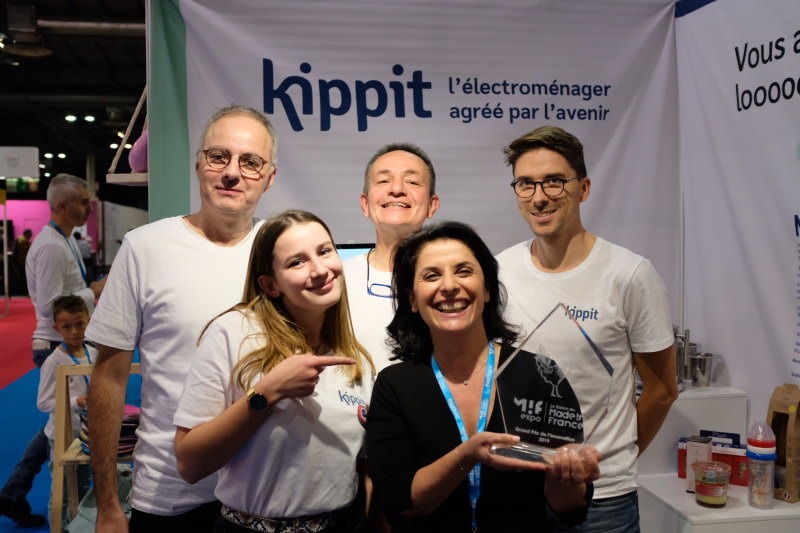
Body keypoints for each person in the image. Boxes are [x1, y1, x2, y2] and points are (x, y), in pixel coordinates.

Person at [86, 105, 278, 533]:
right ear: (198, 163)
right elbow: (109, 378)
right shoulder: (145, 248)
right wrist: (107, 503)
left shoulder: (284, 253)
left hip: (265, 495)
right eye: (218, 156)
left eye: (251, 162)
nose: (232, 172)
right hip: (170, 496)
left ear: (269, 177)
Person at [496, 125, 678, 532]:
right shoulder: (499, 270)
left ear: (584, 188)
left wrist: (609, 459)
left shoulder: (630, 274)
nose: (539, 197)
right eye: (526, 184)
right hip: (518, 489)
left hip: (602, 499)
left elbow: (663, 391)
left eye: (554, 181)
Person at [366, 220, 600, 532]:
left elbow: (569, 508)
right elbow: (401, 503)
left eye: (463, 271)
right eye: (431, 275)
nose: (449, 285)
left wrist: (566, 477)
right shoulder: (394, 386)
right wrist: (468, 455)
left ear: (487, 289)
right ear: (412, 299)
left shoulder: (539, 375)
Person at [174, 209, 375, 532]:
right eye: (297, 262)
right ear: (270, 285)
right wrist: (269, 391)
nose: (320, 270)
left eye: (325, 251)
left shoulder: (355, 360)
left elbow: (361, 469)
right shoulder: (234, 333)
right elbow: (190, 464)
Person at [0, 174, 104, 528]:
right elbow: (49, 306)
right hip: (55, 344)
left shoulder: (64, 239)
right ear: (61, 205)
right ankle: (15, 493)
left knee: (56, 426)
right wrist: (93, 292)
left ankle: (12, 493)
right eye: (83, 202)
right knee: (59, 427)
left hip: (65, 340)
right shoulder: (50, 246)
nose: (89, 208)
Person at [343, 143, 440, 370]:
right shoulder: (336, 278)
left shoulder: (451, 282)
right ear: (365, 204)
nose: (396, 189)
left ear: (431, 205)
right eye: (383, 180)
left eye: (412, 181)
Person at [37, 294, 96, 524]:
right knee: (61, 492)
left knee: (82, 487)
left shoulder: (93, 352)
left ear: (88, 320)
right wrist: (75, 402)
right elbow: (43, 402)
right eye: (66, 327)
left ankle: (79, 527)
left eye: (80, 324)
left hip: (88, 433)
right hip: (62, 436)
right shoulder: (54, 361)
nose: (74, 332)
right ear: (56, 329)